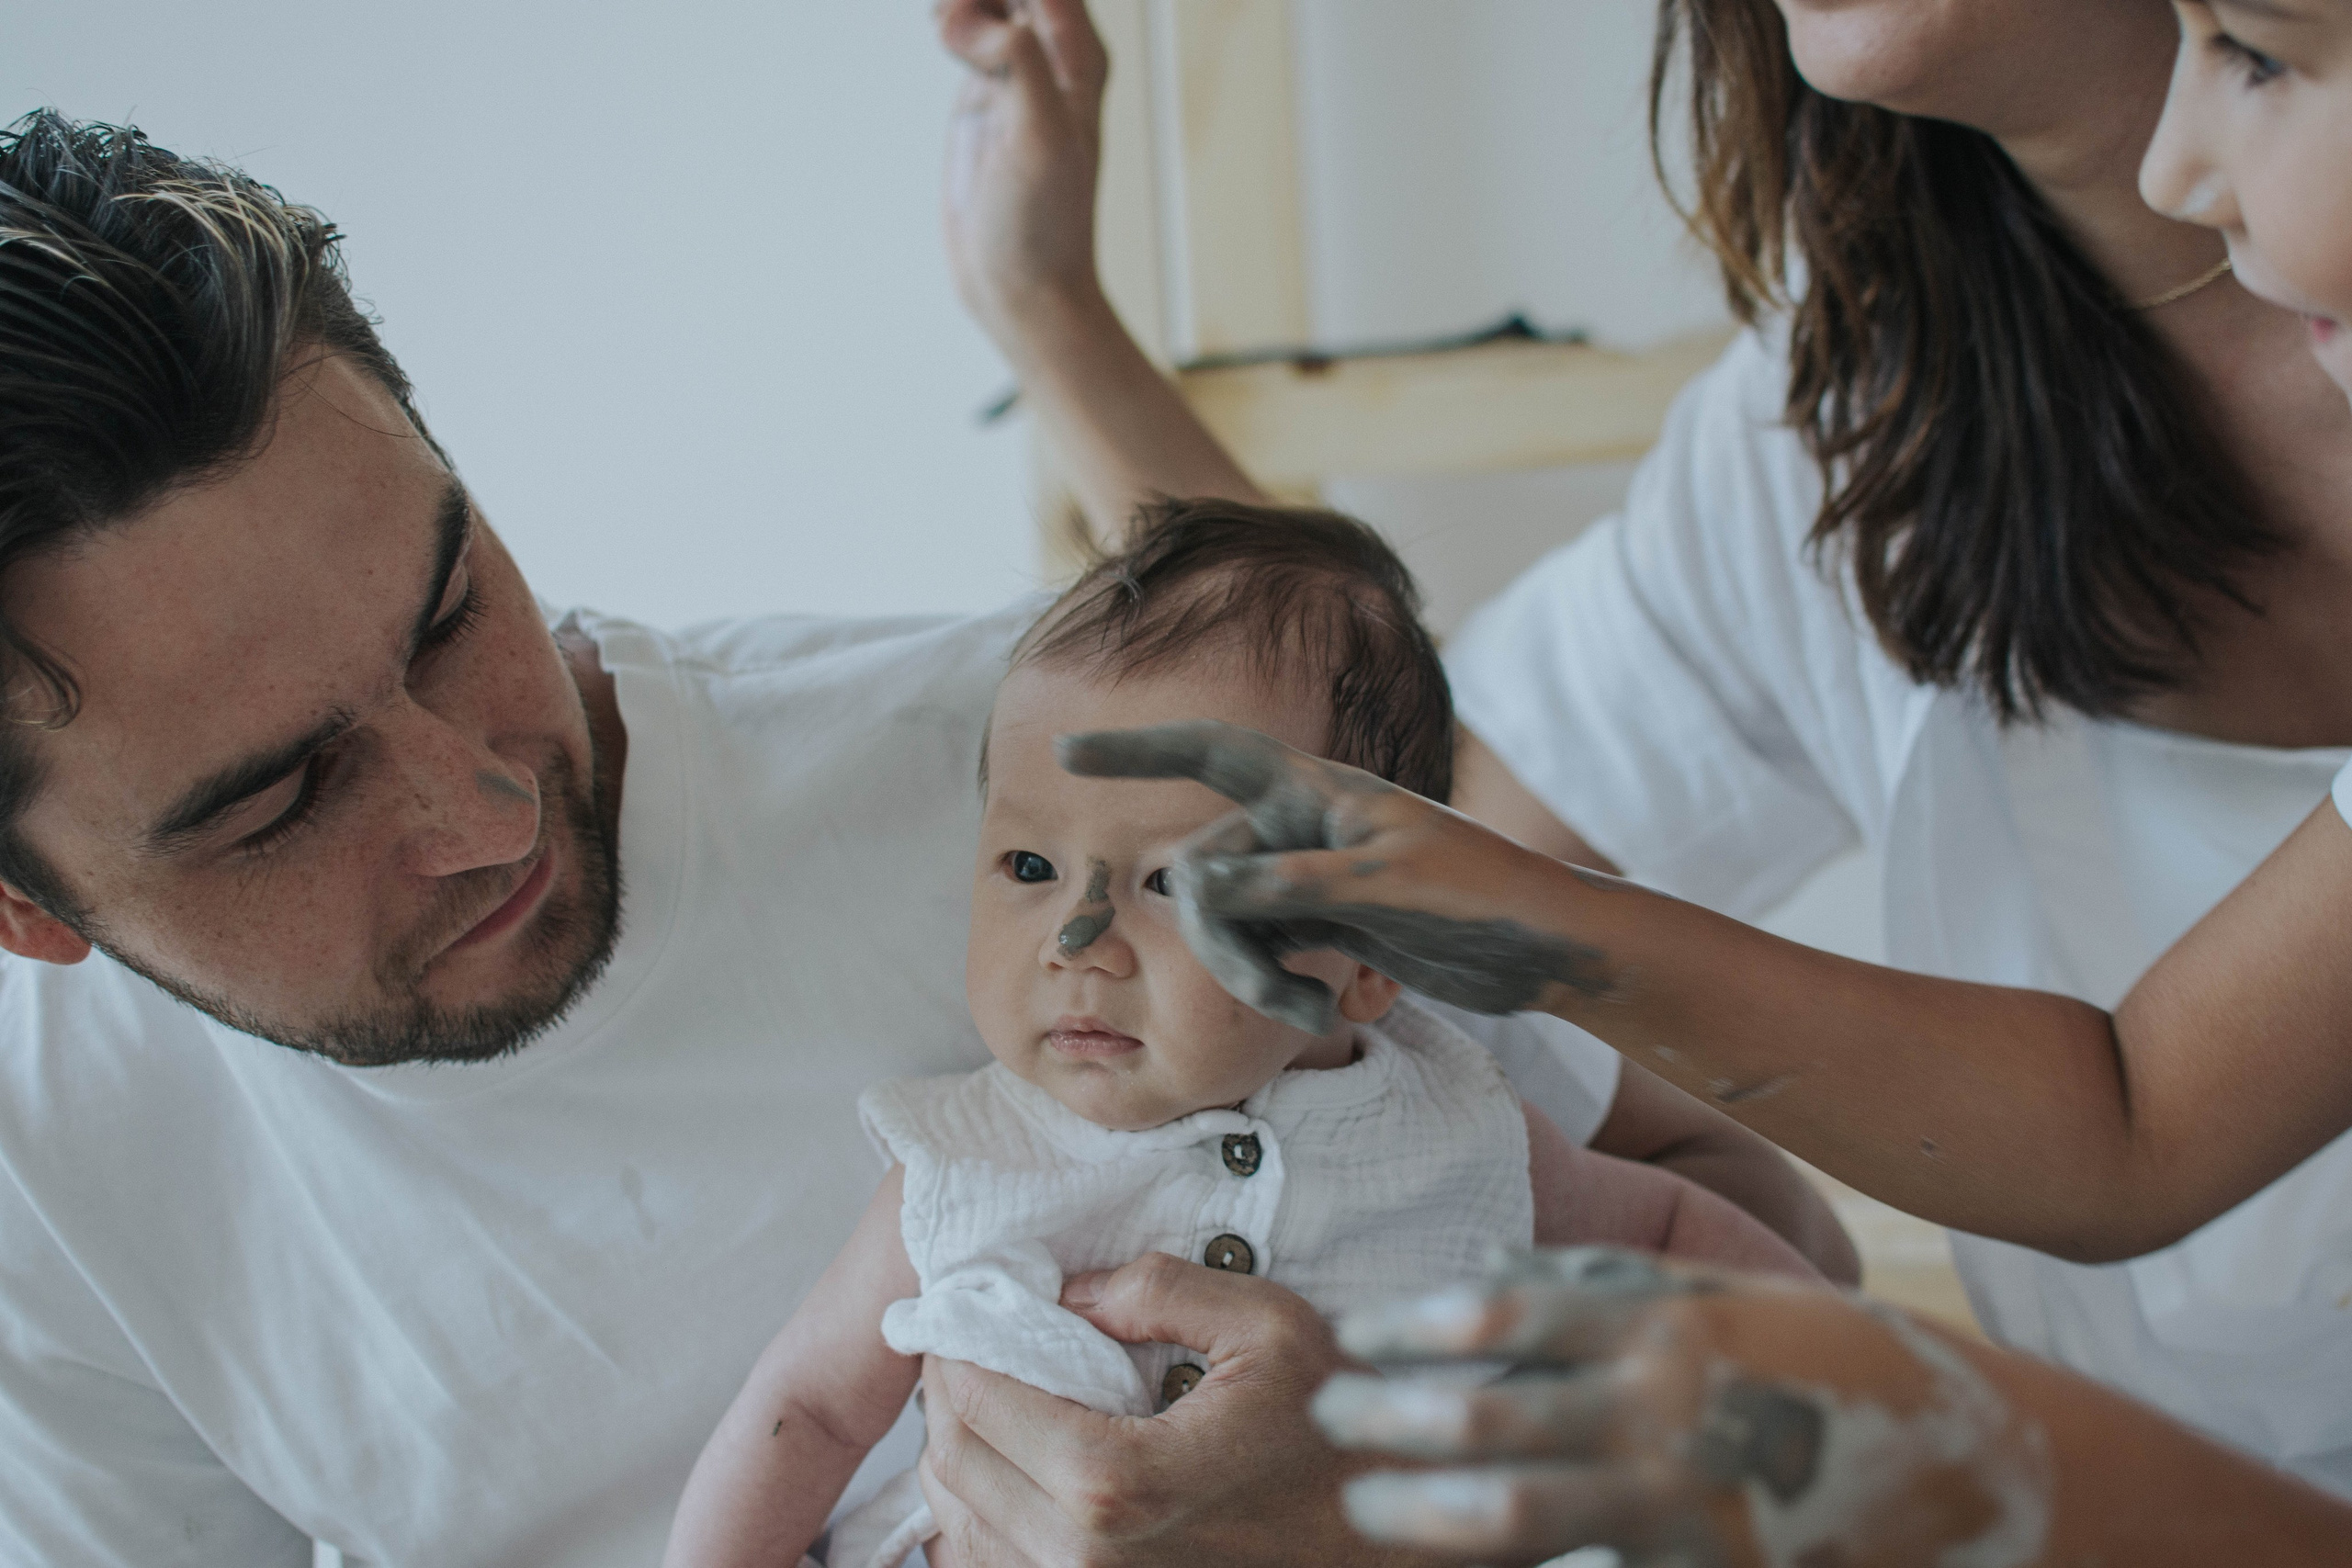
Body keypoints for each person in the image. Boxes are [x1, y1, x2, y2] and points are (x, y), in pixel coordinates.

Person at [0, 111, 1845, 1566]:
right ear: (30, 906)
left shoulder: (1069, 764)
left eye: (448, 611)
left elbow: (1777, 1255)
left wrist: (1426, 1495)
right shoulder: (50, 1166)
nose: (482, 810)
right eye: (276, 799)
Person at [932, 0, 2352, 1509]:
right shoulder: (1846, 419)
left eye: (2262, 56)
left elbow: (2125, 1131)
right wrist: (1049, 311)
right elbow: (1403, 812)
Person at [660, 503, 1817, 1568]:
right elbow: (806, 1410)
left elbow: (1671, 1225)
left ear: (1371, 956)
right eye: (1030, 864)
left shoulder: (1459, 1130)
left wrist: (1822, 1369)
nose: (1077, 939)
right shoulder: (960, 1166)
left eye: (1173, 881)